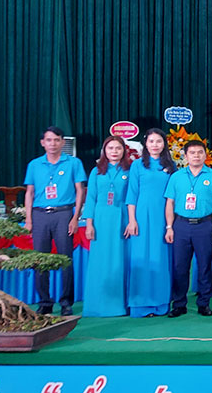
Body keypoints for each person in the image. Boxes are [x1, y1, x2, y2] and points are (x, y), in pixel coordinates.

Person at [24, 126, 86, 316]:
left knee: (65, 259)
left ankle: (66, 302)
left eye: (57, 140)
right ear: (43, 143)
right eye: (49, 140)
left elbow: (80, 190)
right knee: (40, 260)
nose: (53, 144)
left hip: (63, 214)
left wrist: (75, 217)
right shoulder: (34, 164)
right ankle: (45, 302)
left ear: (62, 142)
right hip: (40, 214)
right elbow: (29, 193)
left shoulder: (73, 163)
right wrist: (29, 219)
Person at [163, 140, 212, 317]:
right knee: (179, 266)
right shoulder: (176, 177)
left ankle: (204, 303)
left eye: (200, 152)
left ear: (205, 155)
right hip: (181, 225)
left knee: (205, 266)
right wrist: (169, 227)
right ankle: (179, 304)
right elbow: (170, 203)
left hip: (204, 225)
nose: (196, 156)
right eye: (192, 153)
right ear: (185, 155)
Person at [125, 128, 175, 317]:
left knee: (161, 258)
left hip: (164, 217)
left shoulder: (171, 166)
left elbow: (174, 195)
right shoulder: (137, 165)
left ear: (164, 144)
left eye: (159, 141)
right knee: (141, 257)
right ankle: (140, 305)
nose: (155, 145)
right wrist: (132, 220)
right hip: (142, 216)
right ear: (145, 144)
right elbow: (132, 194)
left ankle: (161, 304)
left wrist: (171, 224)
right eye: (151, 141)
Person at [82, 136, 132, 317]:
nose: (114, 151)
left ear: (124, 150)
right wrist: (89, 224)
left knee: (120, 260)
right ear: (104, 150)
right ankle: (97, 304)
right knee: (100, 261)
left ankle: (120, 305)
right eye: (110, 148)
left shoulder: (130, 170)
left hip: (122, 219)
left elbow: (133, 197)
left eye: (118, 148)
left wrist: (131, 221)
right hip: (101, 220)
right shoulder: (96, 171)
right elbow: (91, 198)